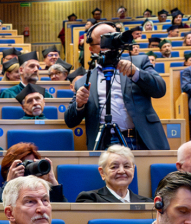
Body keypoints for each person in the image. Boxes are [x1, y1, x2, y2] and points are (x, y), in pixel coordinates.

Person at [66, 23, 168, 151]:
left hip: (139, 139)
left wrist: (136, 73)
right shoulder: (82, 82)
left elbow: (160, 90)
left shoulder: (139, 62)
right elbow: (70, 121)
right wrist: (79, 105)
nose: (111, 46)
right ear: (91, 49)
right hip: (104, 143)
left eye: (114, 39)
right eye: (104, 42)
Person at [0, 143, 66, 204]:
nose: (30, 169)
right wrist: (9, 183)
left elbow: (65, 213)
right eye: (26, 164)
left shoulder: (43, 194)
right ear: (10, 168)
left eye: (33, 164)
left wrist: (52, 182)